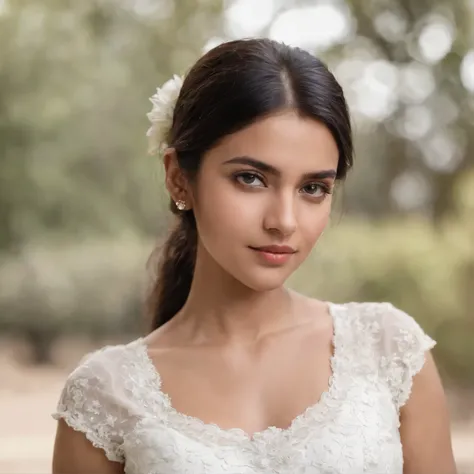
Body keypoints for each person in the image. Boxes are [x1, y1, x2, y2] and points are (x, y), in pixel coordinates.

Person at [51, 38, 457, 474]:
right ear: (178, 179)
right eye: (251, 178)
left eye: (313, 188)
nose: (284, 221)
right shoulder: (104, 397)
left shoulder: (389, 350)